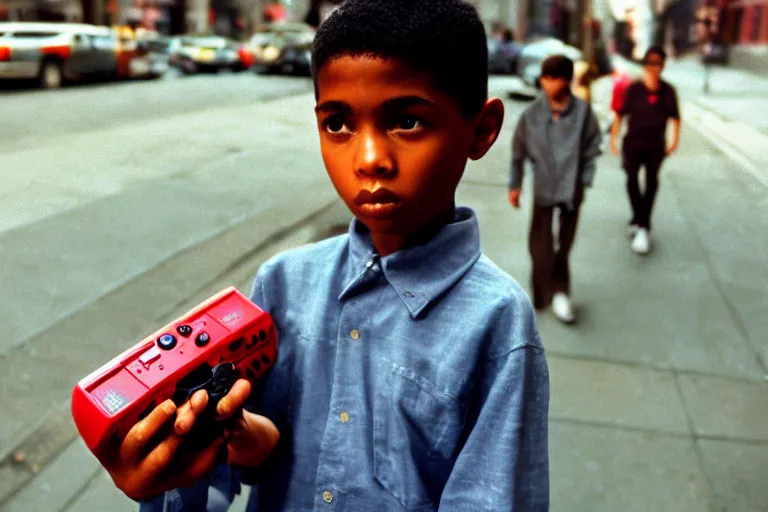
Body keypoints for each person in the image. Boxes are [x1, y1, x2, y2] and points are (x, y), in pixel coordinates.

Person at [97, 0, 551, 510]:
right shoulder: (285, 283)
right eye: (338, 124)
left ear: (482, 130)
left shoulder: (497, 321)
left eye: (406, 120)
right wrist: (184, 459)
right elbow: (260, 449)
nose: (369, 159)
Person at [509, 55, 601, 324]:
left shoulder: (583, 112)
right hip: (544, 185)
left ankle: (560, 291)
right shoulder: (532, 114)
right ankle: (541, 294)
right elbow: (518, 151)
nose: (547, 83)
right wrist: (515, 184)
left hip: (572, 187)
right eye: (545, 77)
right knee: (539, 244)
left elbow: (593, 147)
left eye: (554, 77)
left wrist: (585, 179)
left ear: (567, 80)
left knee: (564, 244)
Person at [610, 46, 680, 255]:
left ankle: (643, 226)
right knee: (631, 180)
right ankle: (638, 218)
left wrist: (674, 141)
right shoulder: (634, 89)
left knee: (651, 184)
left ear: (662, 66)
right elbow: (620, 115)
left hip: (655, 145)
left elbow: (675, 119)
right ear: (644, 65)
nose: (653, 68)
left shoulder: (668, 91)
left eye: (657, 63)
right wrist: (614, 137)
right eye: (649, 63)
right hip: (633, 143)